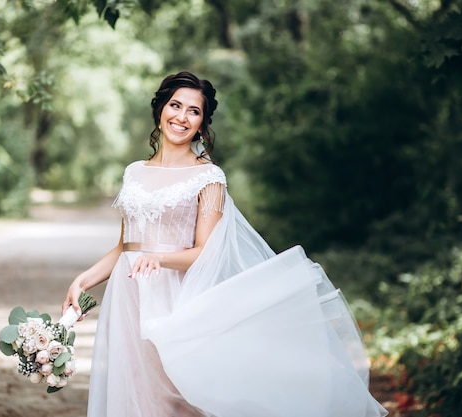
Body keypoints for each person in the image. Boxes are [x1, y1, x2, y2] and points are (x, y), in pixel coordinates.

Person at [62, 71, 388, 417]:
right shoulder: (134, 172)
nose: (181, 117)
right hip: (128, 300)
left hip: (177, 299)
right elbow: (126, 247)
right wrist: (84, 280)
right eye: (175, 105)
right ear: (160, 109)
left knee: (178, 397)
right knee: (137, 394)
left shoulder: (208, 177)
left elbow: (206, 250)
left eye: (193, 111)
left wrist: (160, 258)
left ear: (202, 124)